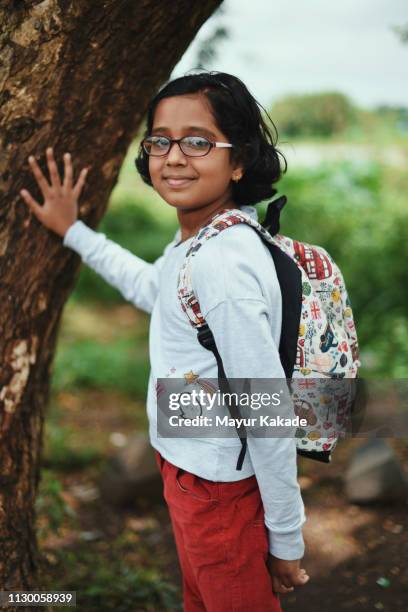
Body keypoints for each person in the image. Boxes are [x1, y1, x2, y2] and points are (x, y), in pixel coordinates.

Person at [21, 71, 310, 612]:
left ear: (239, 160)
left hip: (220, 490)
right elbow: (150, 287)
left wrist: (286, 538)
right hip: (191, 476)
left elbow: (266, 406)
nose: (174, 156)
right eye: (160, 141)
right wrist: (72, 230)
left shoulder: (224, 261)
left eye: (198, 141)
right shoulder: (200, 240)